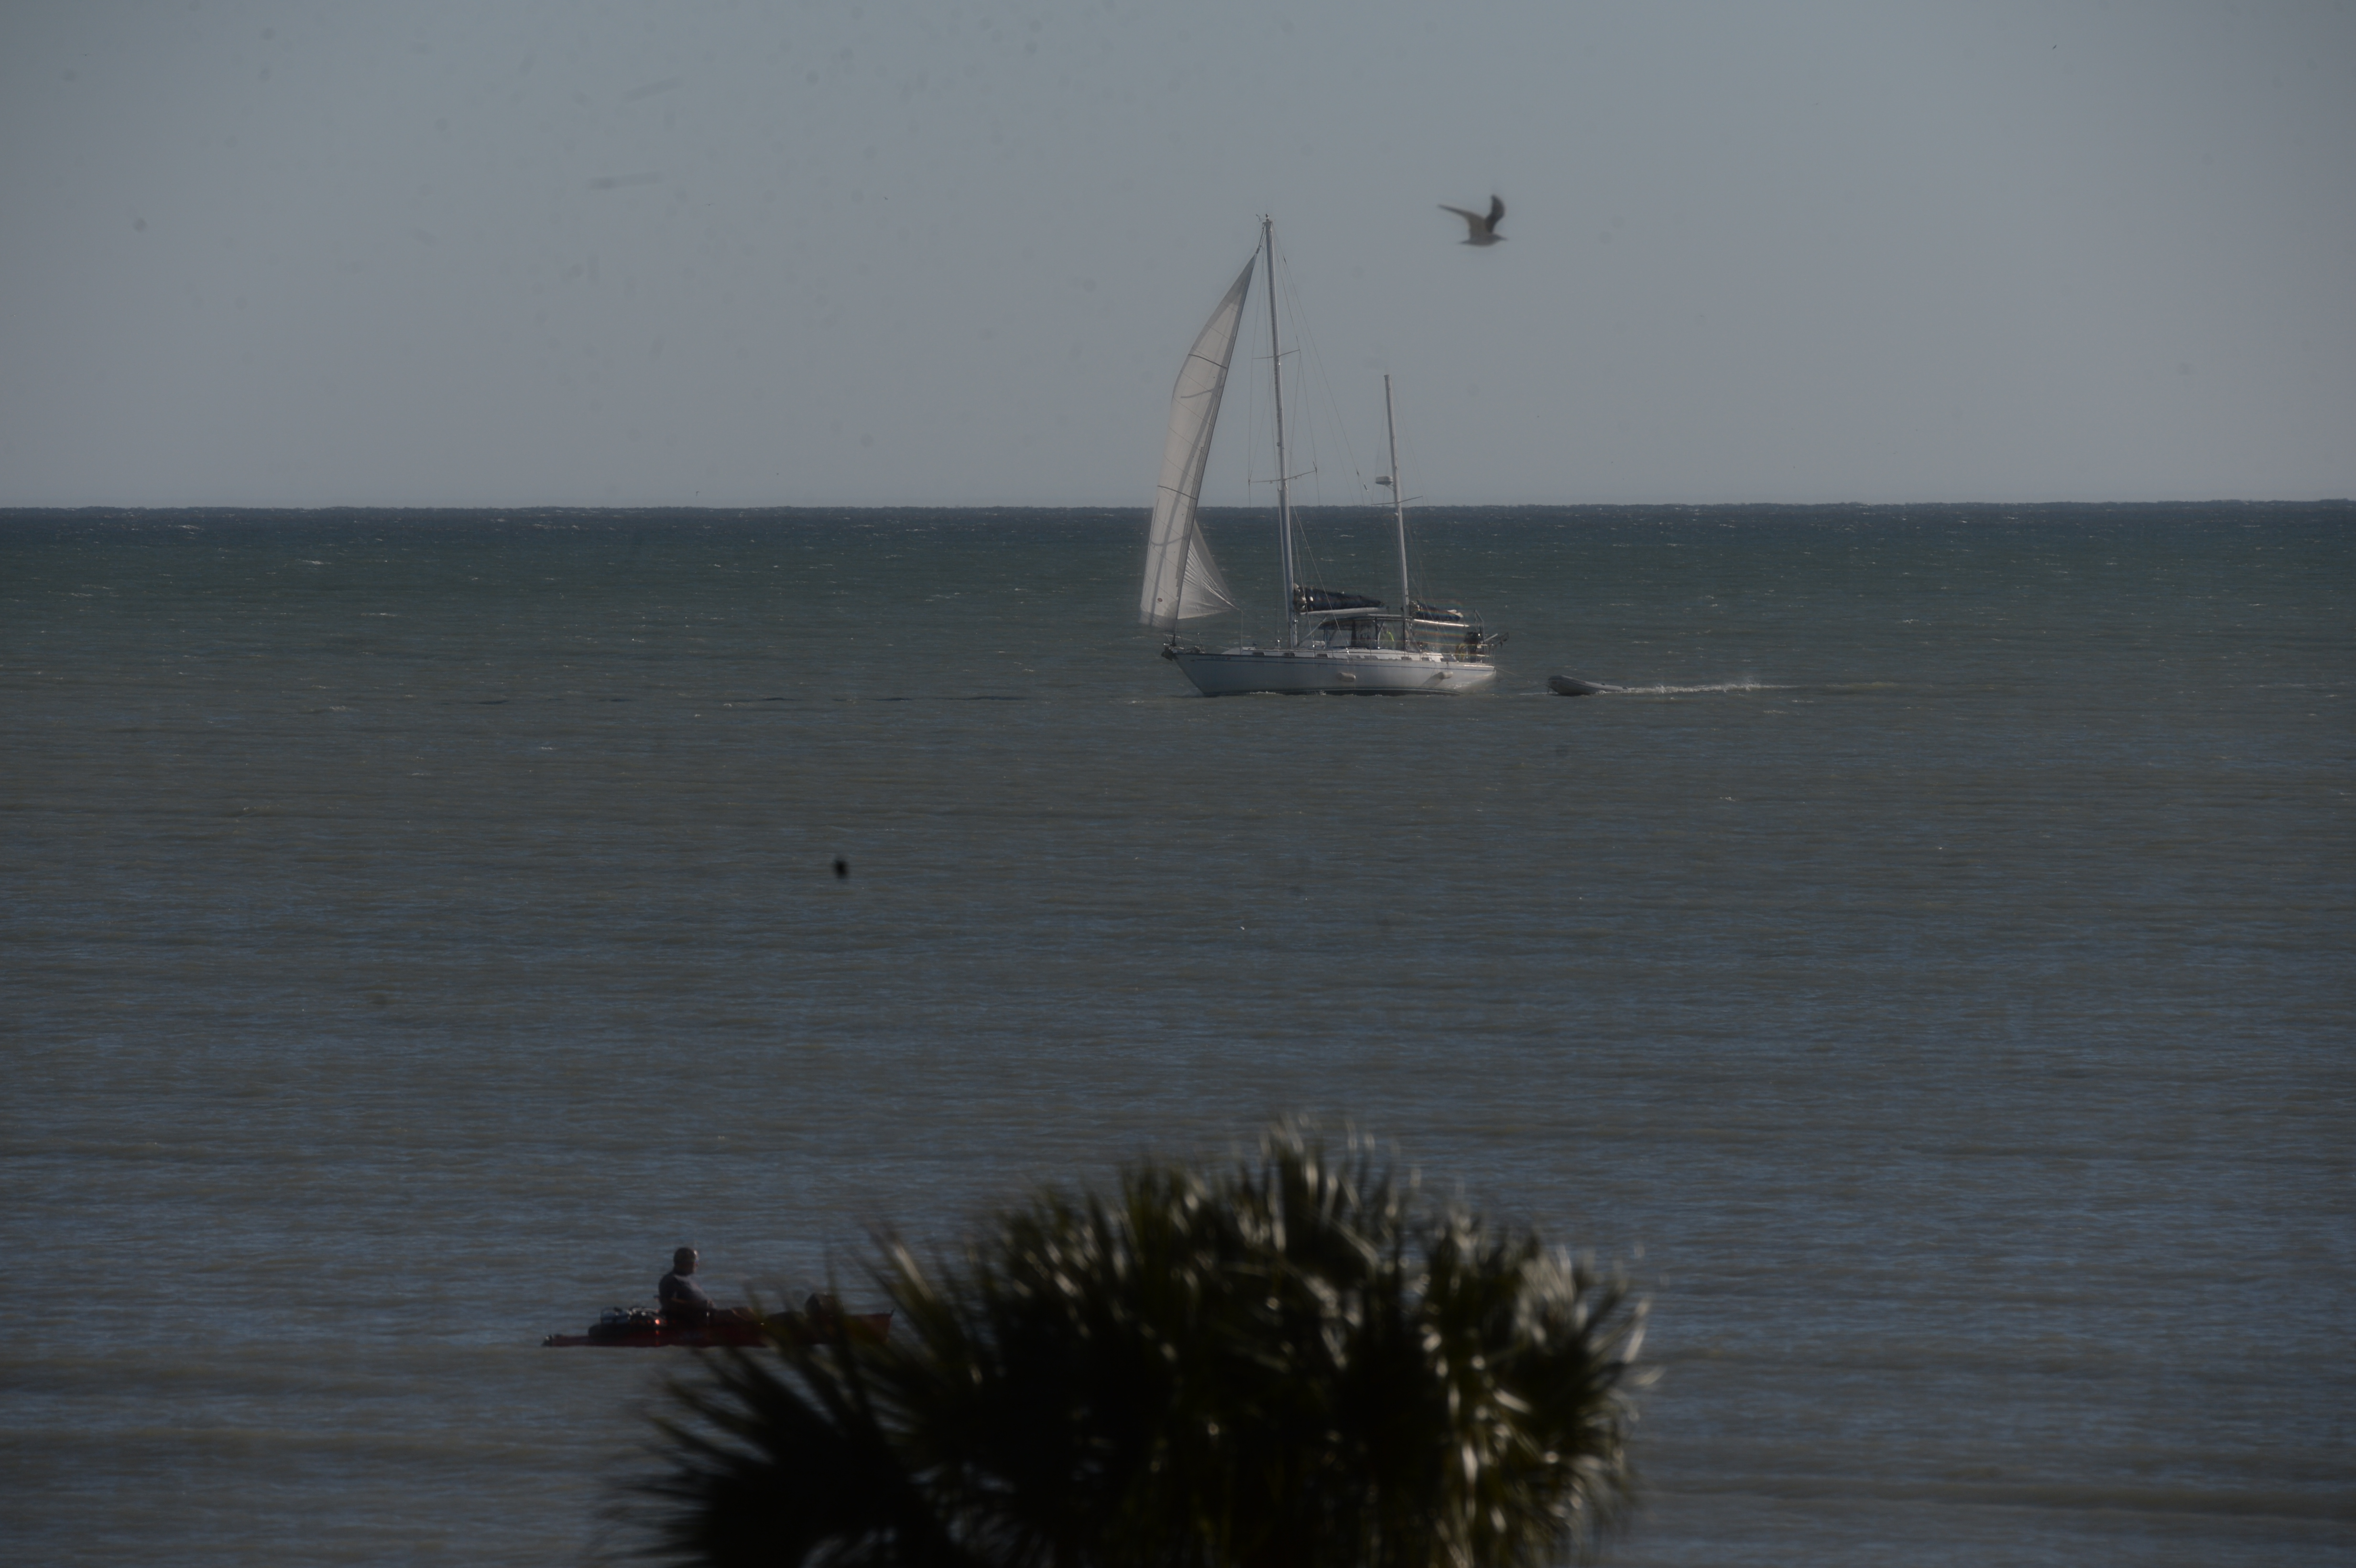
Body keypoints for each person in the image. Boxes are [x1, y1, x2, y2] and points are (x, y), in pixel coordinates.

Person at [659, 1247, 718, 1328]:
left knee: (735, 1311)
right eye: (696, 1261)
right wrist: (699, 1305)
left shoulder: (689, 1279)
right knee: (732, 1315)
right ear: (683, 1262)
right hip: (691, 1321)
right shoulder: (672, 1279)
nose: (697, 1264)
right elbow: (667, 1303)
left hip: (706, 1316)